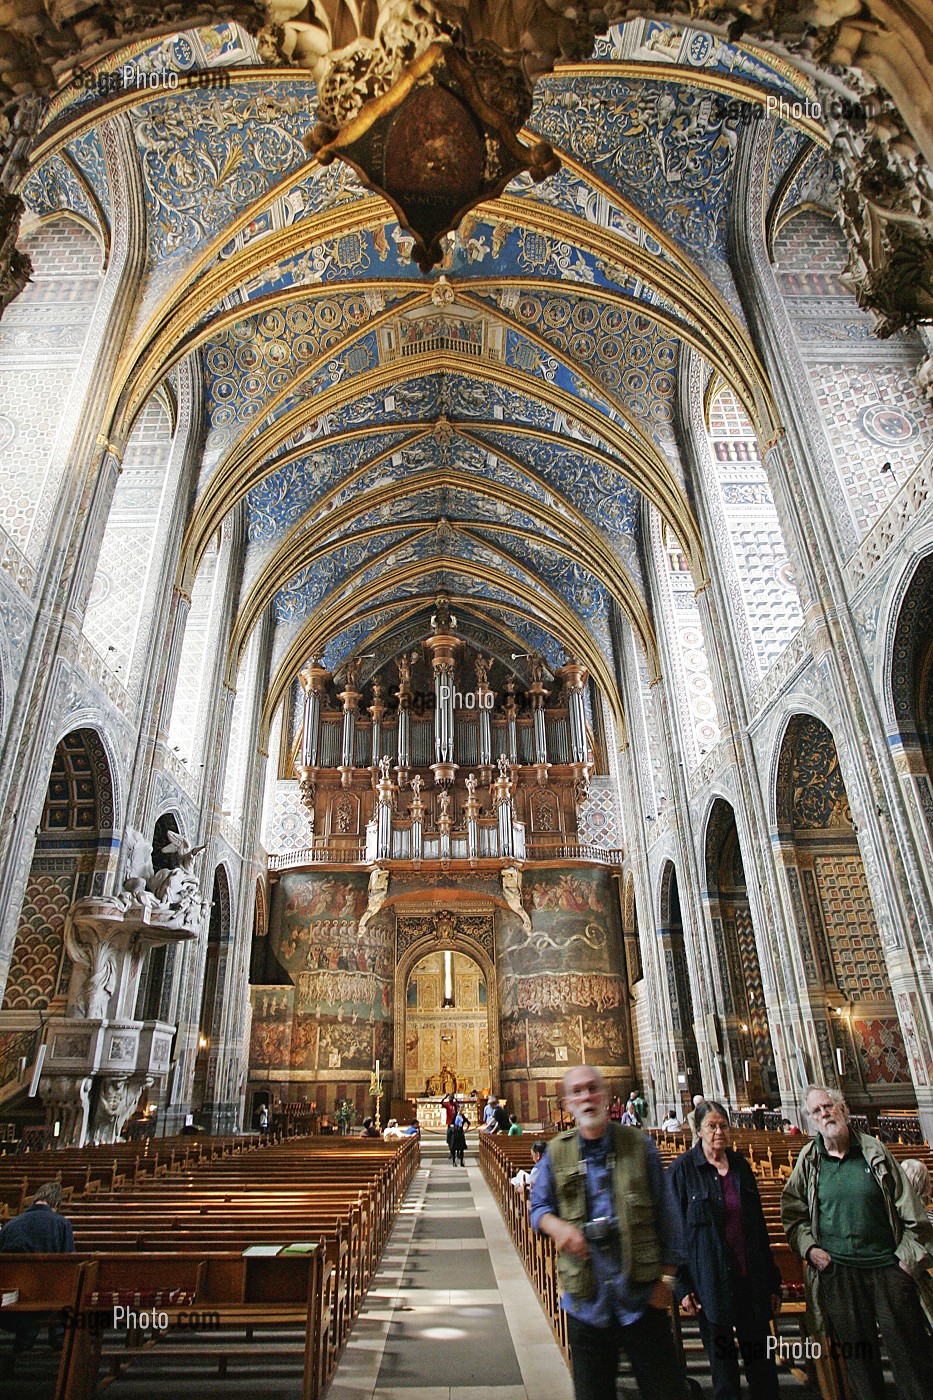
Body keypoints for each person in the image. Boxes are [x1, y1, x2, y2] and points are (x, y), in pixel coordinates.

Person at [530, 1065, 688, 1400]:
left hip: (641, 1297)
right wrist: (557, 1226)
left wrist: (668, 1282)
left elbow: (670, 1218)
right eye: (578, 1092)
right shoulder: (556, 1152)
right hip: (587, 1303)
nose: (586, 1097)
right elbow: (538, 1208)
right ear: (567, 1102)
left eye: (592, 1089)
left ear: (606, 1096)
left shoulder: (638, 1145)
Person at [782, 1084, 933, 1400]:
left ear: (842, 1109)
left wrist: (904, 1262)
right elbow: (793, 1216)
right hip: (840, 1273)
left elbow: (911, 1211)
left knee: (911, 1356)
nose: (824, 1113)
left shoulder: (875, 1151)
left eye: (828, 1106)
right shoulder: (809, 1161)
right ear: (810, 1121)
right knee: (860, 1362)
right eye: (817, 1111)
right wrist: (811, 1249)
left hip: (888, 1270)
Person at [670, 1099, 781, 1400]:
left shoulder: (741, 1168)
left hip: (751, 1283)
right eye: (712, 1126)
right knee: (724, 1376)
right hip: (711, 1285)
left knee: (762, 1368)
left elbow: (758, 1227)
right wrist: (682, 1285)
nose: (719, 1132)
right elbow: (675, 1232)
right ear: (698, 1130)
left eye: (723, 1126)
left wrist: (772, 1280)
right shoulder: (682, 1172)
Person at [0, 1182, 75, 1354]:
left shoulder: (11, 1225)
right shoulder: (62, 1225)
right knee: (65, 1285)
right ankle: (58, 1338)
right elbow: (70, 1264)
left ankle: (26, 1337)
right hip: (48, 1296)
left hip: (12, 1296)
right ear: (56, 1203)